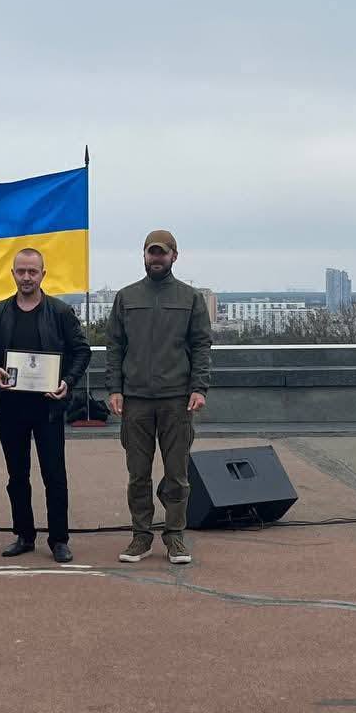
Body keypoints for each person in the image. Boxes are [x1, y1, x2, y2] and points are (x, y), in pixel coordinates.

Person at [106, 229, 212, 564]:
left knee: (177, 475)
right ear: (144, 255)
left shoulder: (190, 298)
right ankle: (141, 536)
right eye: (151, 252)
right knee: (138, 474)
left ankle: (175, 535)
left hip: (176, 399)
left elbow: (201, 345)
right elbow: (114, 346)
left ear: (174, 256)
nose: (156, 257)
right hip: (135, 399)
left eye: (162, 252)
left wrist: (199, 387)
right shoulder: (126, 297)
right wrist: (115, 388)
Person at [0, 248, 92, 563]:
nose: (26, 277)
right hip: (11, 406)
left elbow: (82, 351)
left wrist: (67, 381)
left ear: (43, 274)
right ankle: (24, 535)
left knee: (54, 475)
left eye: (32, 271)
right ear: (13, 274)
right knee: (17, 476)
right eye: (21, 271)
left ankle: (59, 539)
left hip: (49, 407)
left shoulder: (60, 311)